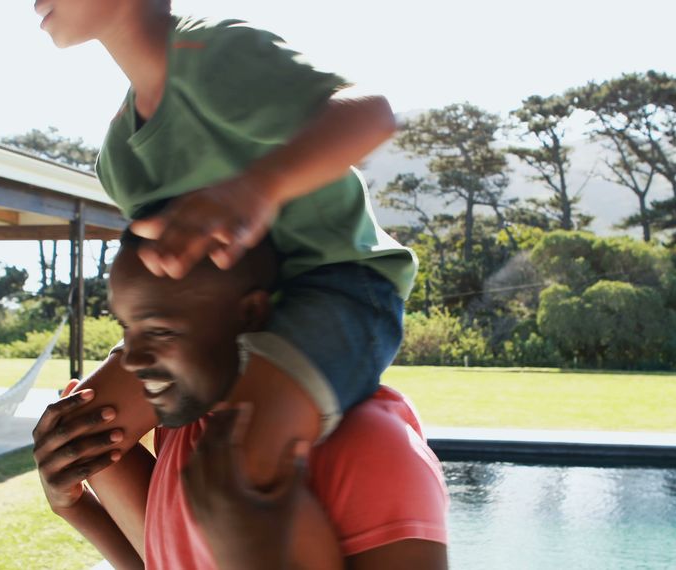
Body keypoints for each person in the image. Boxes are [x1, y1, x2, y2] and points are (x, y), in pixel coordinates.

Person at [33, 0, 416, 542]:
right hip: (219, 317)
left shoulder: (212, 51)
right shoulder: (120, 157)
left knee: (235, 465)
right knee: (77, 435)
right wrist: (71, 505)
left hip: (337, 288)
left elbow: (371, 113)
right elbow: (168, 282)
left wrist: (258, 187)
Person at [33, 234, 448, 569]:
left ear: (249, 313)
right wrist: (73, 506)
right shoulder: (190, 432)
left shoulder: (371, 450)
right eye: (127, 329)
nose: (131, 358)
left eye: (160, 329)